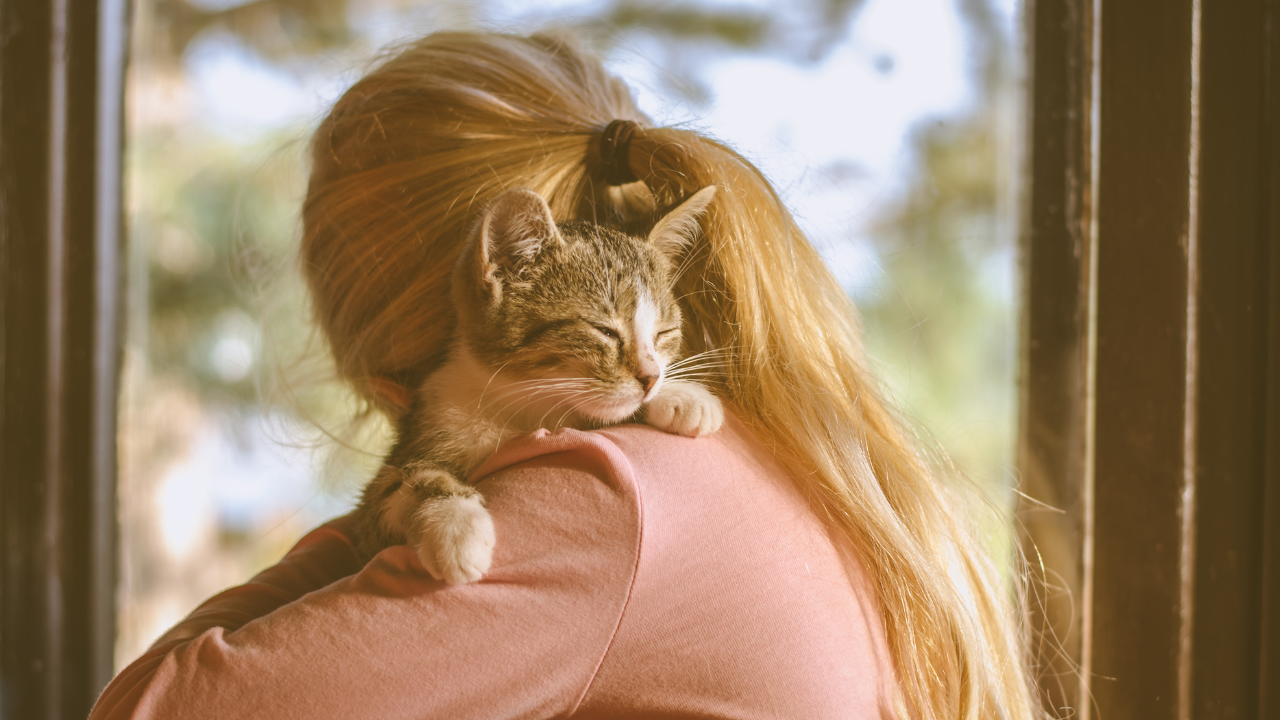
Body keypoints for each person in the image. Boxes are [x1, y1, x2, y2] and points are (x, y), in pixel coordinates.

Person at [90, 32, 1040, 720]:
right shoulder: (736, 456)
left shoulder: (604, 500)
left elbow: (150, 708)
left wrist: (414, 465)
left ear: (377, 364)